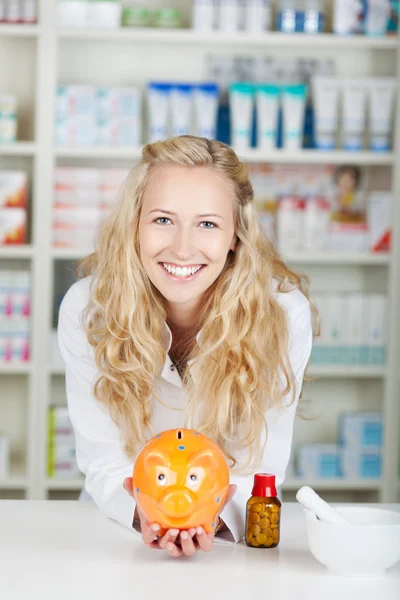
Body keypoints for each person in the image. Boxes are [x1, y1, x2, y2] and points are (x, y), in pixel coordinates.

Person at [58, 135, 316, 558]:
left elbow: (260, 467)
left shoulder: (282, 315)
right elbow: (104, 459)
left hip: (225, 542)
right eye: (163, 220)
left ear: (236, 235)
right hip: (119, 534)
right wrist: (147, 514)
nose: (182, 247)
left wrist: (207, 516)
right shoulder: (90, 309)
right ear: (135, 226)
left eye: (208, 224)